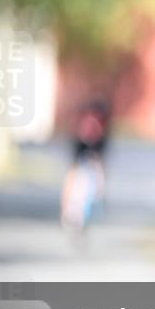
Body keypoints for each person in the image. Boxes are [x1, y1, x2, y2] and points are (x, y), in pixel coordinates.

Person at [60, 97, 111, 234]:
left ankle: (79, 217)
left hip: (91, 167)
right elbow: (74, 168)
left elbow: (100, 162)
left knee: (88, 192)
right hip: (82, 167)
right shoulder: (80, 137)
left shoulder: (101, 137)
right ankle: (74, 216)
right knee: (79, 191)